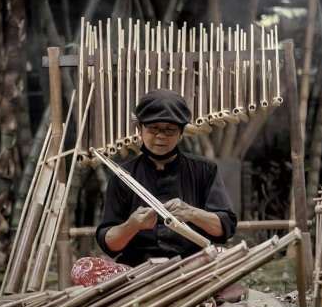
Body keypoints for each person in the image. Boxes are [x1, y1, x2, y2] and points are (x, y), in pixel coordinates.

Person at [95, 89, 237, 267]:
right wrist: (132, 225)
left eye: (170, 130)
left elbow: (225, 229)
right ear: (139, 129)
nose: (161, 136)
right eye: (153, 128)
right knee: (85, 268)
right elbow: (110, 244)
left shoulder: (205, 170)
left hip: (193, 266)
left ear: (181, 132)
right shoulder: (123, 176)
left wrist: (192, 213)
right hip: (137, 270)